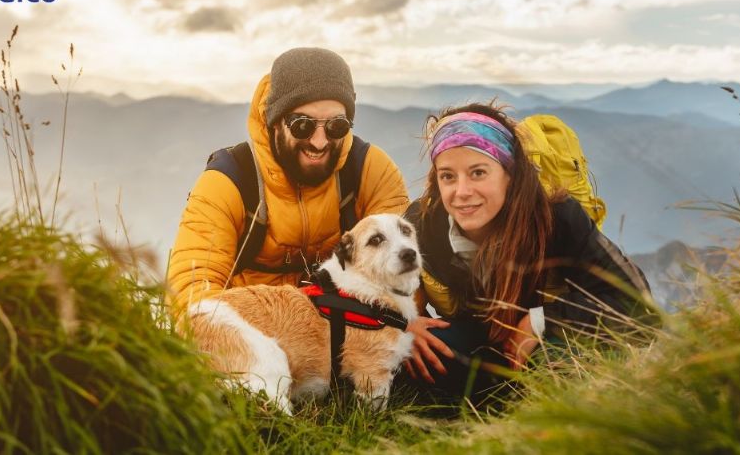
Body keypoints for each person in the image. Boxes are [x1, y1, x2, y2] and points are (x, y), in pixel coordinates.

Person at [402, 102, 655, 395]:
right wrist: (403, 324)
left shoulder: (557, 218)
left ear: (510, 174)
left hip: (544, 347)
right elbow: (372, 290)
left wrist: (541, 321)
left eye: (478, 173)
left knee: (556, 363)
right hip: (476, 346)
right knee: (417, 353)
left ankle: (554, 421)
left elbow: (639, 304)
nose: (461, 192)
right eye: (448, 176)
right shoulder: (421, 224)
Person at [167, 48, 409, 317]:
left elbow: (405, 273)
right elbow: (191, 298)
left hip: (355, 332)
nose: (319, 142)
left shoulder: (369, 170)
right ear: (274, 122)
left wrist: (398, 324)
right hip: (251, 337)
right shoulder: (229, 181)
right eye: (302, 125)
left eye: (336, 126)